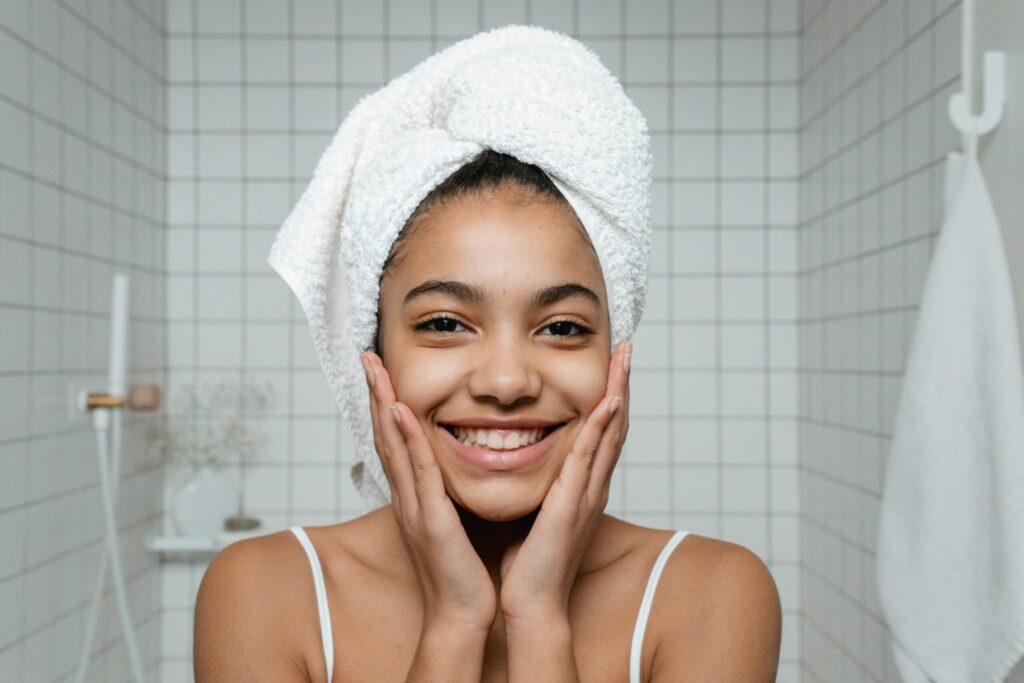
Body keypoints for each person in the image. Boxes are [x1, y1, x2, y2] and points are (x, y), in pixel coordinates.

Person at [193, 149, 782, 681]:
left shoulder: (713, 593)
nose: (506, 382)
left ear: (613, 358)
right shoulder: (263, 592)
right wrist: (454, 622)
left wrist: (539, 619)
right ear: (375, 359)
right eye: (445, 324)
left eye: (561, 328)